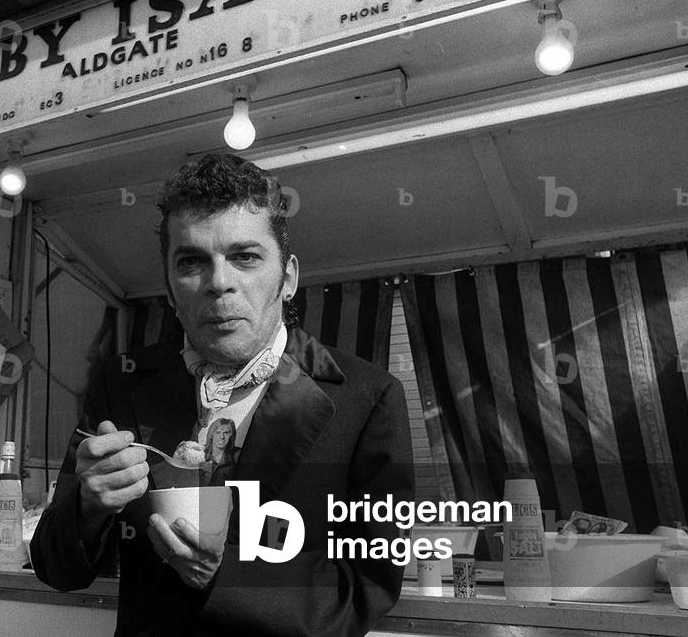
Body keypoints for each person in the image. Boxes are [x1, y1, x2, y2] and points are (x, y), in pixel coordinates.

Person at [31, 154, 414, 636]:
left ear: (288, 277)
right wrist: (88, 506)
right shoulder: (123, 382)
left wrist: (226, 575)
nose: (219, 282)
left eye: (245, 257)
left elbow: (369, 587)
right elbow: (56, 567)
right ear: (170, 289)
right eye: (192, 261)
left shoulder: (368, 398)